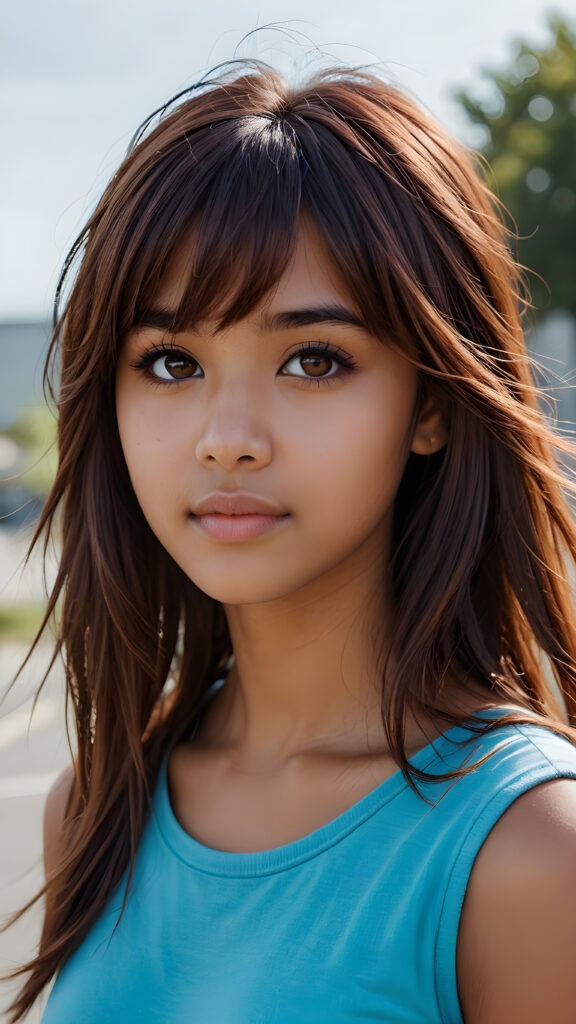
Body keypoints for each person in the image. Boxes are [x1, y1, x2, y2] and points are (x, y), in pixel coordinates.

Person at [4, 57, 576, 1024]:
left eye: (315, 359)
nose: (227, 436)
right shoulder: (98, 813)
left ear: (430, 402)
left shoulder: (527, 853)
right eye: (172, 361)